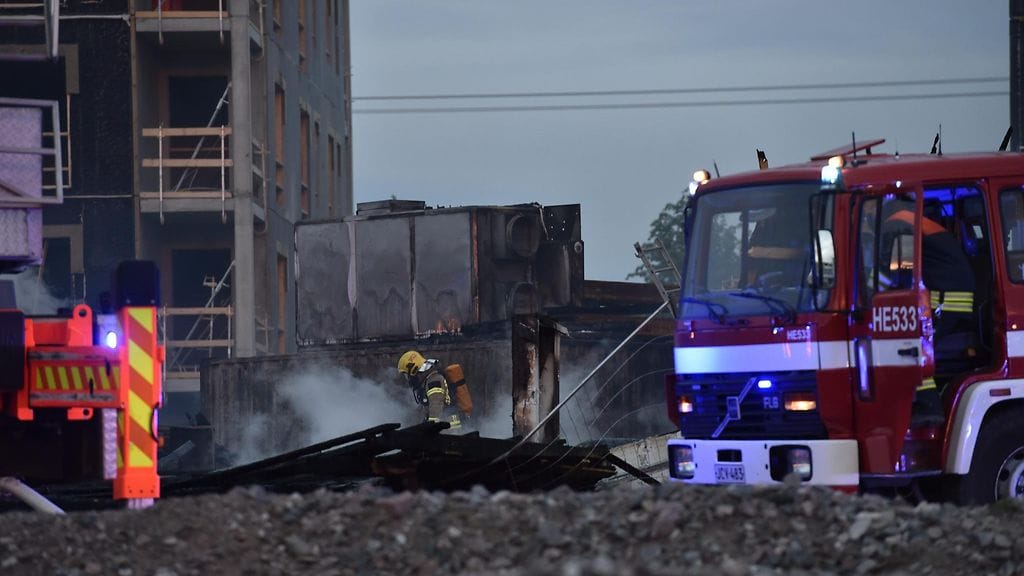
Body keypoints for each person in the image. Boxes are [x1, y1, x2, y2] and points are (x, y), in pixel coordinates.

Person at [882, 203, 976, 424]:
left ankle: (928, 405)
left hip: (949, 301)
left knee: (912, 347)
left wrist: (869, 290)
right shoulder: (912, 220)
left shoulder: (896, 223)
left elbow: (899, 268)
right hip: (951, 296)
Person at [396, 350, 468, 430]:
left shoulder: (434, 382)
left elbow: (436, 407)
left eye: (407, 375)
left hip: (451, 428)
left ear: (413, 370)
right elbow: (425, 408)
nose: (408, 379)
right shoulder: (427, 381)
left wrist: (430, 428)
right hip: (445, 426)